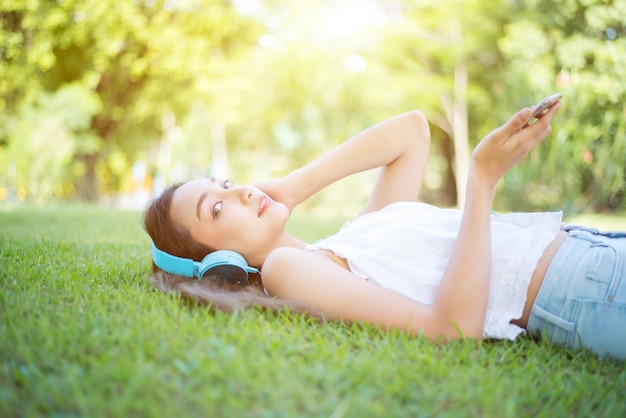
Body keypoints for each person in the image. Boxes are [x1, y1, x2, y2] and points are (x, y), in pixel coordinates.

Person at [143, 100, 626, 361]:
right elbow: (451, 331)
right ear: (218, 266)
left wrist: (292, 186)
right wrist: (481, 182)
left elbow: (410, 132)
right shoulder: (286, 268)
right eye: (219, 207)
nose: (243, 191)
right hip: (580, 290)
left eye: (227, 183)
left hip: (591, 250)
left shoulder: (349, 242)